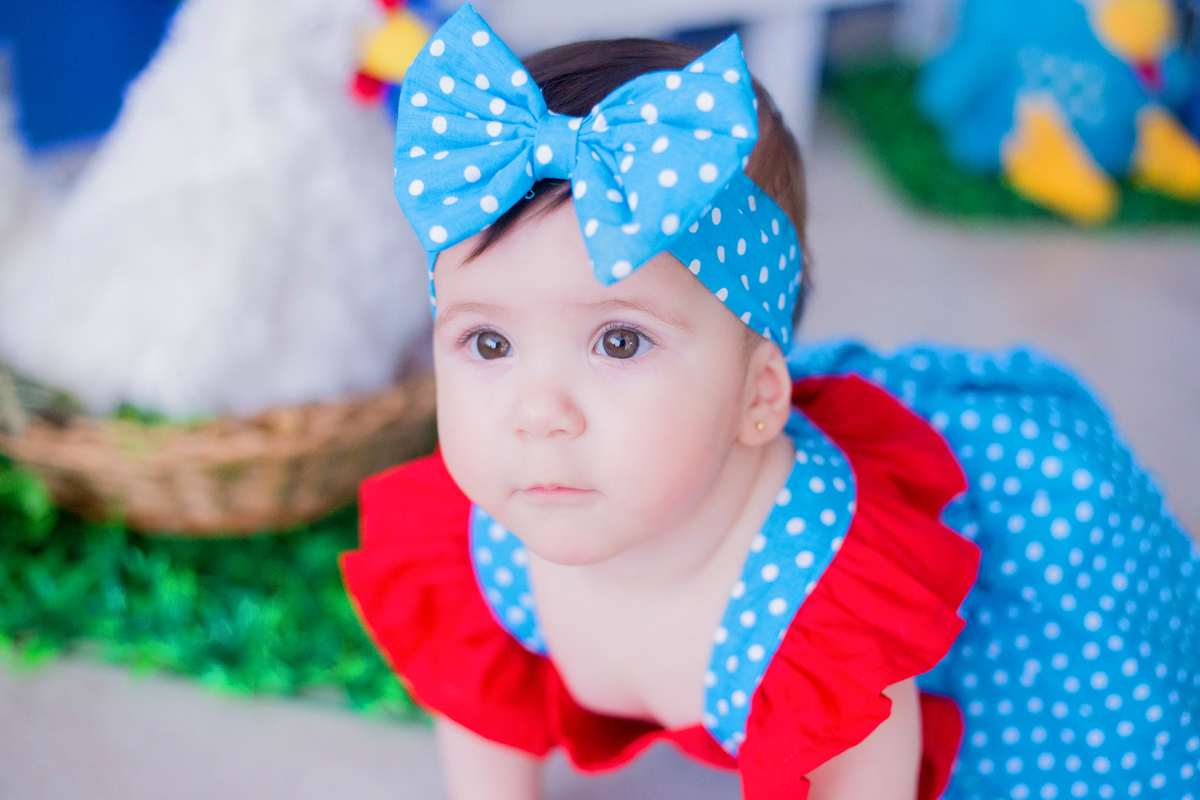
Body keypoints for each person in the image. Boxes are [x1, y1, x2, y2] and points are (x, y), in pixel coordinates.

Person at [341, 6, 1200, 799]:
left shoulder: (819, 598)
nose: (538, 411)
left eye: (619, 342)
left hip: (995, 615)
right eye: (488, 343)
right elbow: (478, 708)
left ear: (759, 396)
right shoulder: (494, 537)